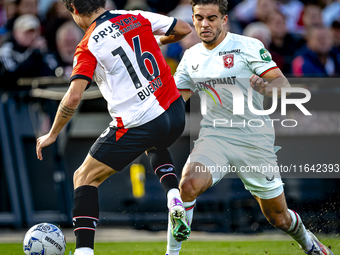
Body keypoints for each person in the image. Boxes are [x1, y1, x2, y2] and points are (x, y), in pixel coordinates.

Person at [165, 1, 334, 255]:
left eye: (211, 18)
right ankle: (171, 253)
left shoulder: (248, 46)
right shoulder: (191, 56)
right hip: (215, 136)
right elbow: (176, 102)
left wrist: (266, 89)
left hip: (253, 139)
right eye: (199, 18)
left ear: (224, 20)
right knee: (187, 186)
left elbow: (283, 86)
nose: (204, 24)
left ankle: (310, 244)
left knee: (279, 218)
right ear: (192, 19)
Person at [35, 1, 192, 255]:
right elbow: (184, 28)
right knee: (155, 142)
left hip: (140, 121)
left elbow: (73, 97)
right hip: (174, 111)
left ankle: (84, 251)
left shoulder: (87, 45)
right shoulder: (133, 16)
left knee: (83, 178)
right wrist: (156, 42)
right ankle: (174, 196)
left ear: (74, 9)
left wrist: (52, 133)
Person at [0, 14, 54, 91]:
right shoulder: (6, 51)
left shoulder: (42, 49)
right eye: (27, 32)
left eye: (34, 31)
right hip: (13, 97)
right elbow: (9, 76)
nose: (32, 35)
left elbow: (53, 74)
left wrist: (41, 54)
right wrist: (33, 53)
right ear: (15, 33)